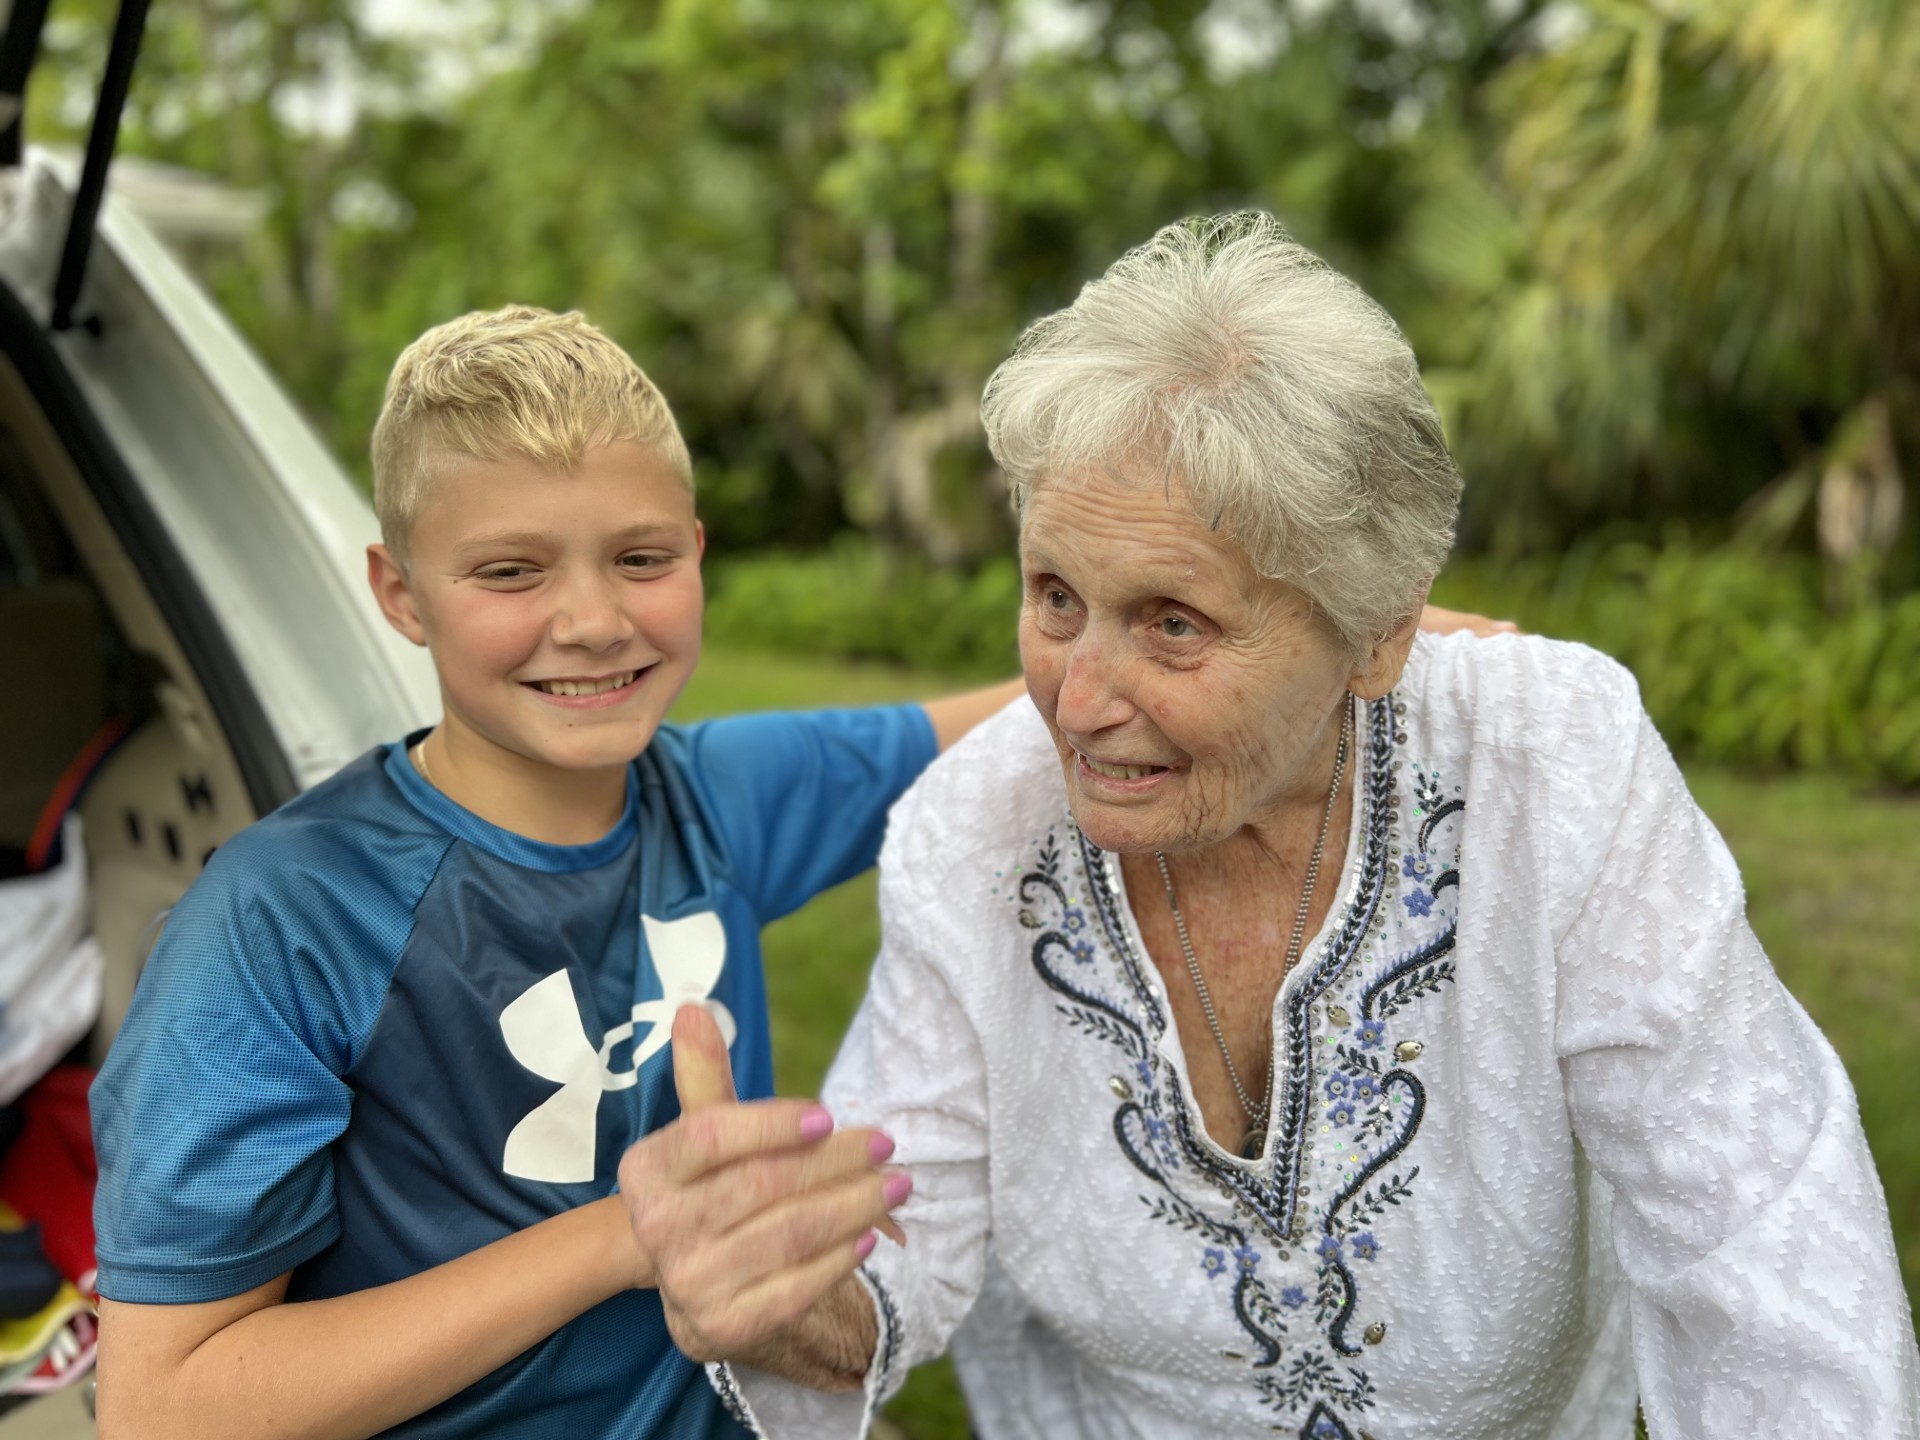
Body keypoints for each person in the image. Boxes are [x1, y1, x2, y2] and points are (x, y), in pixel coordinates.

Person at [644, 217, 1920, 1438]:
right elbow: (891, 1263)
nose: (1077, 703)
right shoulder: (971, 838)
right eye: (1054, 596)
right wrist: (773, 1290)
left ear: (1376, 635)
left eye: (1174, 623)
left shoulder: (1548, 768)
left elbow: (1760, 1246)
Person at [85, 306, 1022, 1440]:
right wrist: (627, 1241)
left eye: (641, 558)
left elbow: (1031, 719)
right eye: (511, 571)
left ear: (696, 552)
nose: (592, 619)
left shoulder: (715, 794)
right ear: (400, 593)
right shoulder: (281, 920)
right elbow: (163, 1406)